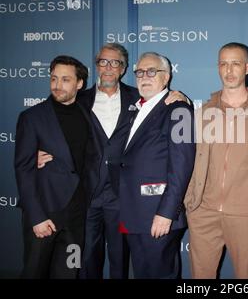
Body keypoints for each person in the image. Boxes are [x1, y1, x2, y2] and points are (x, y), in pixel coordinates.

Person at [37, 43, 188, 279]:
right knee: (85, 259)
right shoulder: (79, 99)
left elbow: (166, 108)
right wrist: (37, 150)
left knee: (122, 261)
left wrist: (178, 96)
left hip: (124, 197)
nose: (108, 67)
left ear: (123, 68)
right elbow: (52, 122)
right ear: (96, 66)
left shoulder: (139, 96)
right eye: (102, 62)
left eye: (115, 62)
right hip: (88, 195)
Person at [184, 42, 248, 279]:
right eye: (223, 63)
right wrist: (191, 201)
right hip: (203, 211)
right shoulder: (202, 113)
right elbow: (185, 159)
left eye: (235, 63)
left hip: (246, 212)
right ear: (217, 67)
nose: (229, 70)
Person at [15, 55, 100, 278]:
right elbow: (23, 169)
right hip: (45, 212)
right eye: (53, 78)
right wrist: (36, 217)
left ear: (79, 84)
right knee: (35, 271)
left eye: (65, 80)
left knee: (69, 272)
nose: (57, 85)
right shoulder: (32, 117)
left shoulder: (87, 114)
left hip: (77, 215)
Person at [118, 52, 195, 278]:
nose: (145, 76)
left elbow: (182, 166)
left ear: (166, 77)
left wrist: (166, 212)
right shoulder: (133, 109)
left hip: (158, 215)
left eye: (152, 71)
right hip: (133, 213)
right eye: (140, 72)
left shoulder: (179, 110)